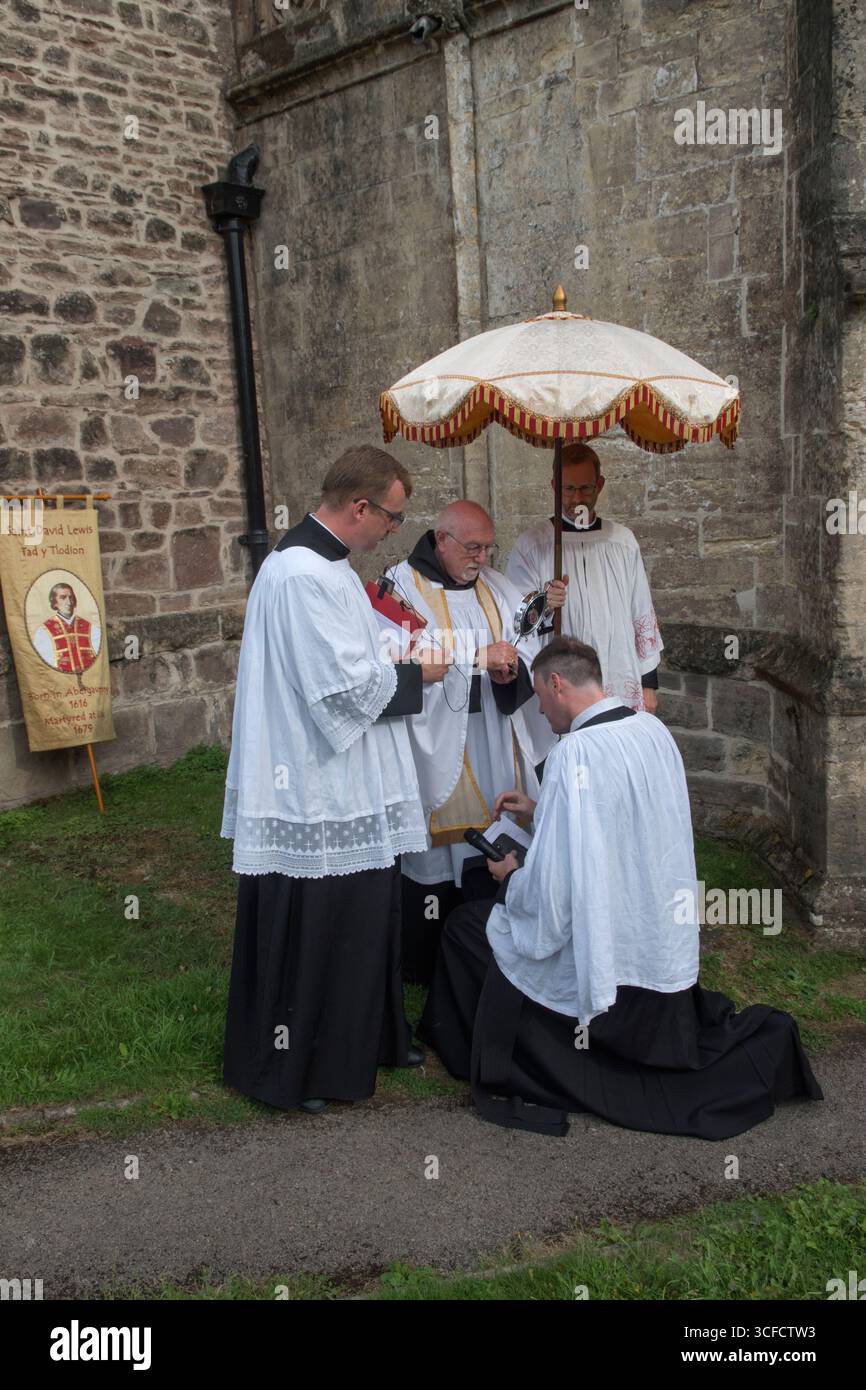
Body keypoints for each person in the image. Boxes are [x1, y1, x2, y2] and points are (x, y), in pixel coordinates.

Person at [418, 637, 823, 1139]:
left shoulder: (575, 753)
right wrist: (539, 809)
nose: (541, 713)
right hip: (655, 932)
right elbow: (624, 827)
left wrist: (514, 878)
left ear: (557, 684)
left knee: (466, 928)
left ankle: (481, 1049)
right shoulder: (650, 729)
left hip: (605, 943)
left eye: (541, 700)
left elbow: (555, 897)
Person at [221, 446, 450, 1114]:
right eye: (392, 517)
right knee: (321, 918)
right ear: (359, 507)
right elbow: (339, 688)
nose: (394, 532)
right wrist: (418, 674)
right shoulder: (299, 574)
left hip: (346, 772)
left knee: (365, 911)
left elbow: (351, 655)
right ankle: (301, 1065)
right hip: (312, 780)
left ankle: (364, 1040)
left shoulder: (332, 567)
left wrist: (394, 653)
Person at [385, 500, 555, 984]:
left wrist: (510, 664)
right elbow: (401, 654)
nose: (482, 558)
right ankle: (428, 958)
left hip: (493, 731)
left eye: (488, 547)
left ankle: (487, 943)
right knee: (437, 853)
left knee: (495, 821)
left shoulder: (495, 586)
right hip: (437, 738)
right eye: (473, 547)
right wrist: (476, 656)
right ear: (442, 540)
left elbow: (525, 637)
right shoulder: (401, 587)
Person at [505, 442, 662, 713]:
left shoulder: (621, 541)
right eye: (569, 489)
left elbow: (641, 612)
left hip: (618, 670)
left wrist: (648, 684)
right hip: (562, 677)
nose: (577, 498)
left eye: (585, 488)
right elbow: (515, 620)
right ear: (555, 486)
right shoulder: (534, 544)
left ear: (599, 485)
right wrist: (544, 602)